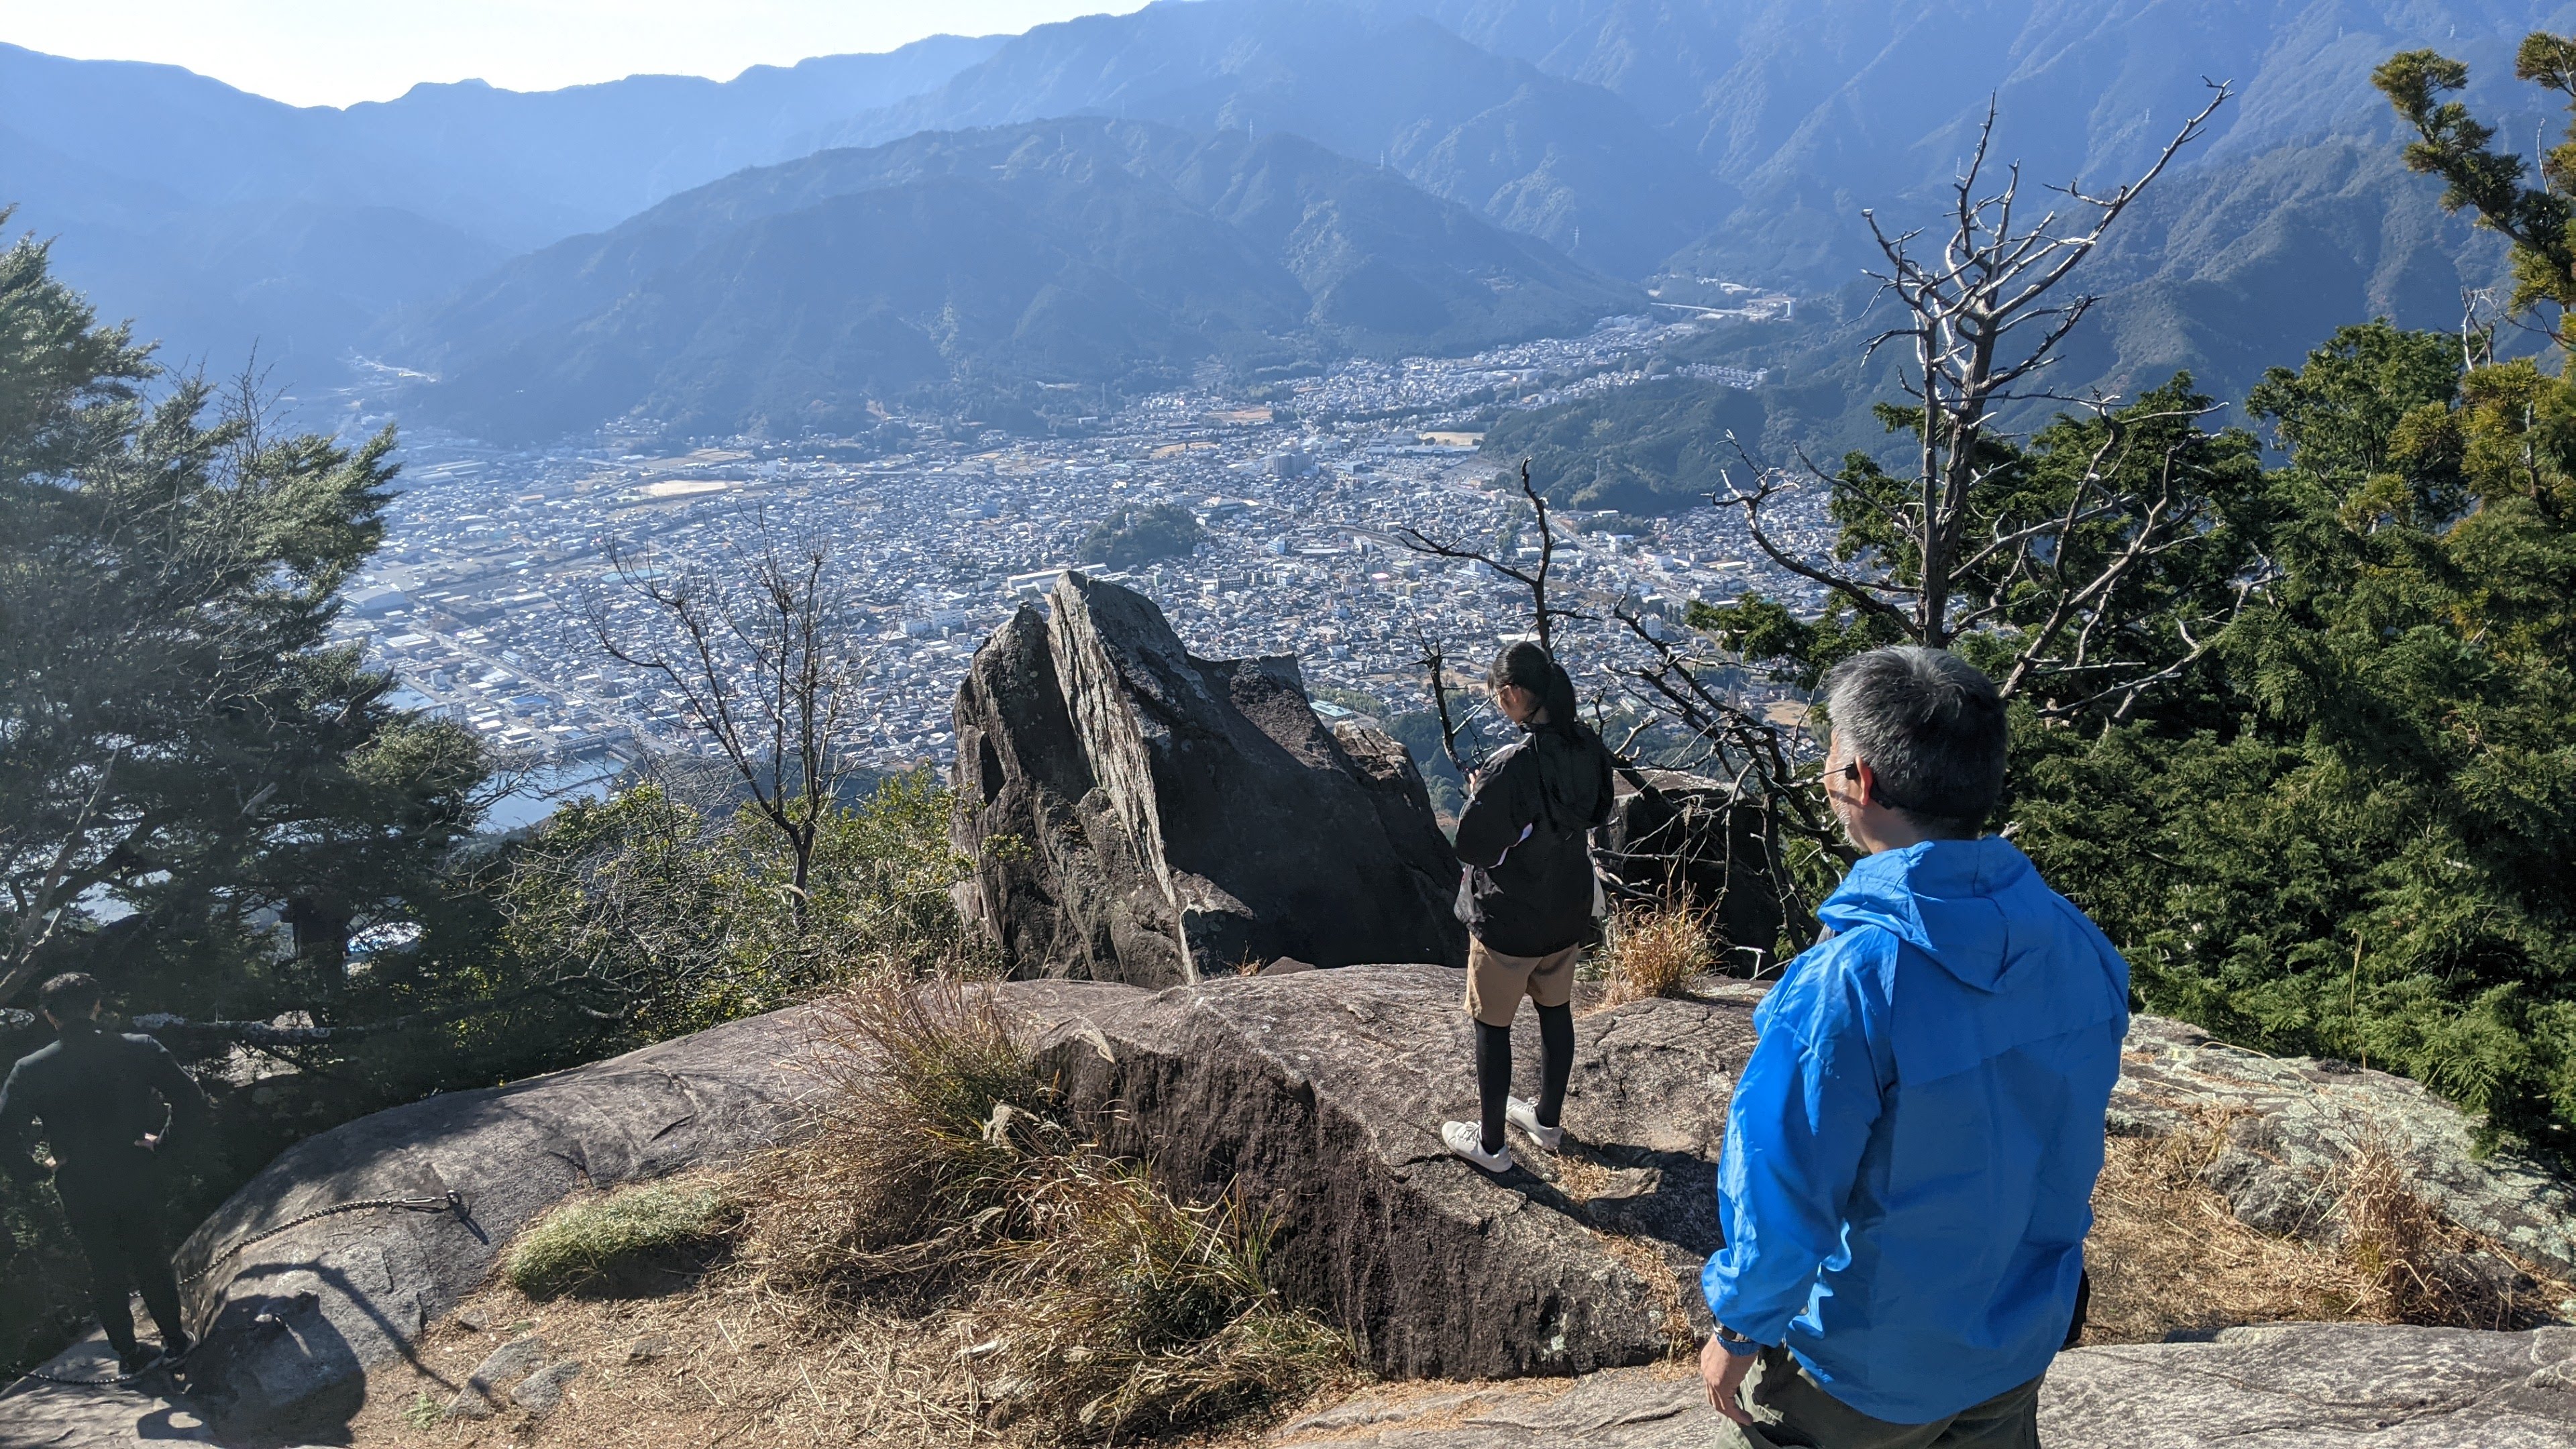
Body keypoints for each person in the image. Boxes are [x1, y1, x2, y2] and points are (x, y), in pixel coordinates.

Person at [1698, 646, 2127, 1448]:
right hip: (2016, 1334)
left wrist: (1739, 1328)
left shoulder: (1852, 981)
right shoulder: (2076, 945)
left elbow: (1786, 1181)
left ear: (1859, 779)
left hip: (1868, 1363)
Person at [1439, 640, 1615, 1173]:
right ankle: (1546, 1120)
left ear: (1514, 694)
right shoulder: (1585, 744)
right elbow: (1597, 808)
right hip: (1566, 909)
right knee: (1555, 1012)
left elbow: (1474, 847)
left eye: (1497, 696)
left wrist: (1481, 795)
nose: (1498, 703)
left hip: (1510, 919)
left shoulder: (1511, 766)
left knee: (1492, 1025)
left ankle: (1491, 1146)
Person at [1, 971, 209, 1374]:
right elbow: (190, 1101)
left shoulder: (30, 1069)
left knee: (103, 1265)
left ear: (48, 1015)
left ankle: (129, 1356)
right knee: (150, 1255)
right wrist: (163, 1144)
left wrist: (37, 1172)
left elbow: (6, 1134)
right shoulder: (139, 1048)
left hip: (78, 1180)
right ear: (97, 1006)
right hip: (135, 1168)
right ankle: (176, 1341)